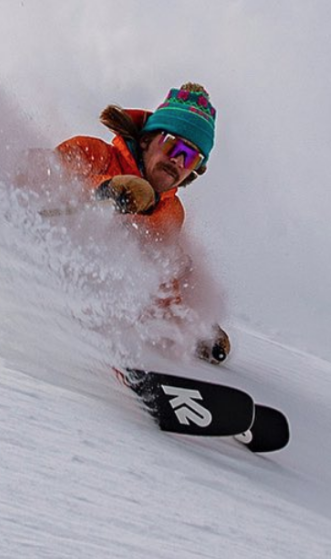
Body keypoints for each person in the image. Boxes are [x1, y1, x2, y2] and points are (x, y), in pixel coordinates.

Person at [53, 82, 231, 365]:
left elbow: (161, 271)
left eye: (191, 157)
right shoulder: (92, 153)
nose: (178, 160)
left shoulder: (171, 212)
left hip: (102, 306)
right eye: (173, 144)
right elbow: (36, 177)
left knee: (181, 261)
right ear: (147, 139)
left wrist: (191, 324)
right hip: (48, 277)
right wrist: (106, 190)